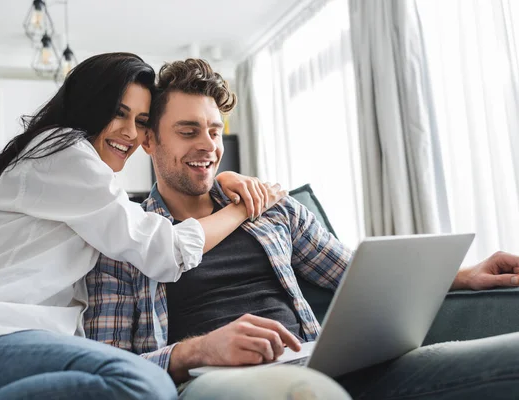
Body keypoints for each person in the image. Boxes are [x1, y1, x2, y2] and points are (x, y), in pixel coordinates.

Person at [85, 58, 519, 400]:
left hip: (321, 365)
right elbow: (112, 366)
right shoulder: (126, 238)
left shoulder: (274, 211)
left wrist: (464, 275)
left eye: (215, 131)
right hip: (215, 383)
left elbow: (353, 275)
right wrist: (198, 351)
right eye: (188, 131)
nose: (207, 145)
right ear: (150, 141)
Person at [0, 53, 286, 400]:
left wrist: (218, 180)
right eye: (118, 114)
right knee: (143, 383)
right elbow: (165, 251)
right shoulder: (62, 152)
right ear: (88, 107)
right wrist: (241, 209)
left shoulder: (86, 185)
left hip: (17, 340)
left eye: (141, 121)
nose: (131, 133)